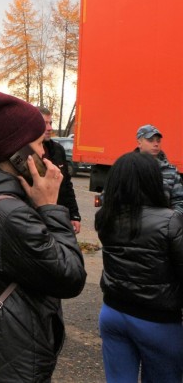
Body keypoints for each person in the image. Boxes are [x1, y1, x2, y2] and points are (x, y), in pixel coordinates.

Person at [0, 89, 87, 382]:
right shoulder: (9, 215)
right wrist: (50, 208)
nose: (44, 151)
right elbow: (70, 276)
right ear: (19, 154)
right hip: (10, 362)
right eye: (37, 144)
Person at [96, 151, 183, 382]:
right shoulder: (170, 220)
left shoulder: (105, 217)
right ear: (153, 180)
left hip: (112, 313)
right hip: (157, 321)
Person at [39, 108, 81, 233]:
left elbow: (67, 185)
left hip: (59, 217)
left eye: (50, 123)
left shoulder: (57, 150)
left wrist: (74, 214)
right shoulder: (25, 153)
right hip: (37, 220)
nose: (50, 128)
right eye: (45, 123)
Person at [135, 124, 183, 213]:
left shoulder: (171, 171)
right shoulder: (127, 167)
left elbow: (179, 202)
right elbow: (108, 197)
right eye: (150, 140)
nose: (156, 144)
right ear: (139, 143)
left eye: (158, 141)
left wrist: (172, 220)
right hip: (132, 223)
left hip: (161, 225)